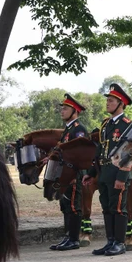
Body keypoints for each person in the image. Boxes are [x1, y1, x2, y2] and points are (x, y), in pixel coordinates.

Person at [86, 84, 132, 257]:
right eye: (107, 100)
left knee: (119, 208)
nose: (107, 103)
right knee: (107, 208)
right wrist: (91, 173)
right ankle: (110, 241)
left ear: (121, 103)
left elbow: (129, 152)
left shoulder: (127, 125)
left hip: (118, 172)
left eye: (111, 101)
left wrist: (122, 176)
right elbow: (100, 151)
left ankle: (120, 243)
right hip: (105, 172)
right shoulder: (105, 125)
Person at [49, 94, 90, 251]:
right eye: (62, 108)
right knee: (65, 205)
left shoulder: (79, 130)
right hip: (63, 175)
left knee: (73, 205)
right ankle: (68, 236)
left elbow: (81, 154)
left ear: (75, 111)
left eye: (65, 109)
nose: (62, 111)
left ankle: (74, 239)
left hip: (74, 174)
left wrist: (75, 174)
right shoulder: (67, 130)